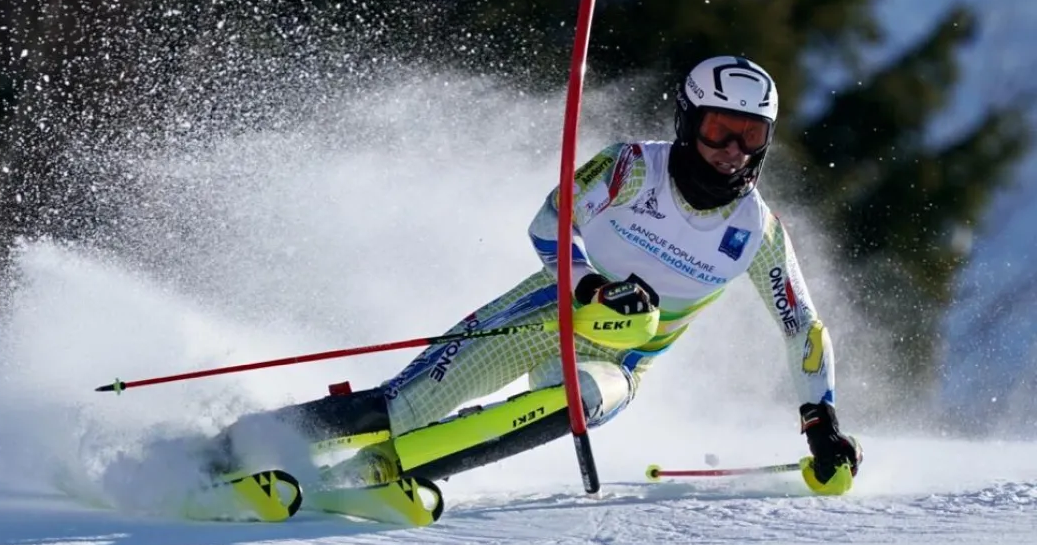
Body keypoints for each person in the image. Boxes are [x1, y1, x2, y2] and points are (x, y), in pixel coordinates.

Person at [208, 55, 862, 495]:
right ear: (689, 121)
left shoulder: (757, 231)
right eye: (720, 131)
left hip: (617, 362)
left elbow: (802, 327)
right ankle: (234, 449)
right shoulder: (632, 167)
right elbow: (550, 222)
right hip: (547, 313)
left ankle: (377, 473)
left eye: (751, 136)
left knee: (578, 402)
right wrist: (587, 285)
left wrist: (820, 422)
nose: (733, 153)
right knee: (405, 407)